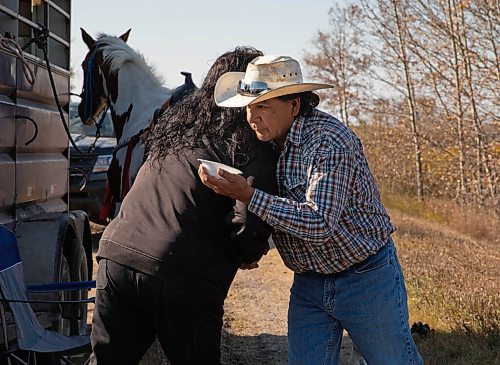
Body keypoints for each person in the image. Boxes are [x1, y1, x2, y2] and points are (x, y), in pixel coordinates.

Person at [199, 55, 423, 365]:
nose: (253, 117)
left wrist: (249, 196)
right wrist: (250, 244)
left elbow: (319, 222)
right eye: (249, 107)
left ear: (294, 105)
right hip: (308, 282)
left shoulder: (328, 142)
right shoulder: (263, 142)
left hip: (366, 278)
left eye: (263, 106)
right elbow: (270, 207)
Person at [90, 47, 279, 365]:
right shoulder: (250, 138)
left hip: (116, 255)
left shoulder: (176, 123)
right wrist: (246, 252)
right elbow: (251, 215)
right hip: (182, 272)